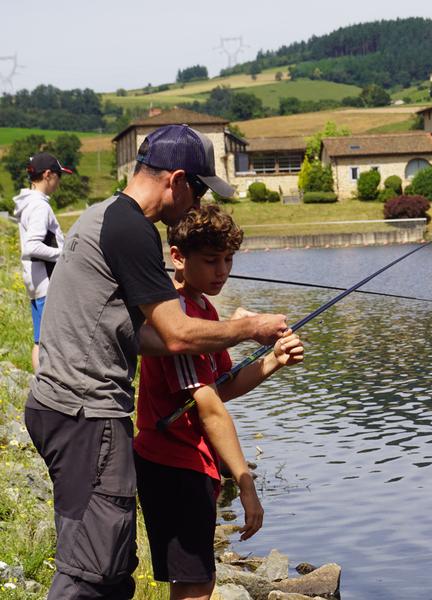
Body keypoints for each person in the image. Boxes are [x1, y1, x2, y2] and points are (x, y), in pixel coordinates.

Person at [24, 125, 290, 600]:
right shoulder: (132, 230)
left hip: (61, 407)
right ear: (179, 179)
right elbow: (176, 333)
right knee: (93, 571)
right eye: (201, 189)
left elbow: (138, 335)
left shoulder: (103, 215)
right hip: (86, 412)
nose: (199, 203)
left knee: (106, 562)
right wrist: (251, 328)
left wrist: (259, 357)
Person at [134, 204, 303, 600]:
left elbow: (221, 386)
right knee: (194, 584)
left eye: (228, 260)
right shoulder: (177, 317)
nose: (222, 271)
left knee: (199, 579)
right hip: (173, 463)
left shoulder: (204, 309)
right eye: (211, 261)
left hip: (189, 462)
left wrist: (274, 360)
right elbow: (209, 407)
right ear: (177, 257)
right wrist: (245, 482)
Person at [11, 152, 71, 371]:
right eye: (58, 176)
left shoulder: (27, 203)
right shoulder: (40, 207)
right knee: (53, 341)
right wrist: (64, 255)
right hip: (47, 282)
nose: (59, 182)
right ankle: (49, 389)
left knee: (39, 340)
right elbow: (32, 246)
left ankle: (39, 386)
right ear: (47, 175)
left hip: (34, 282)